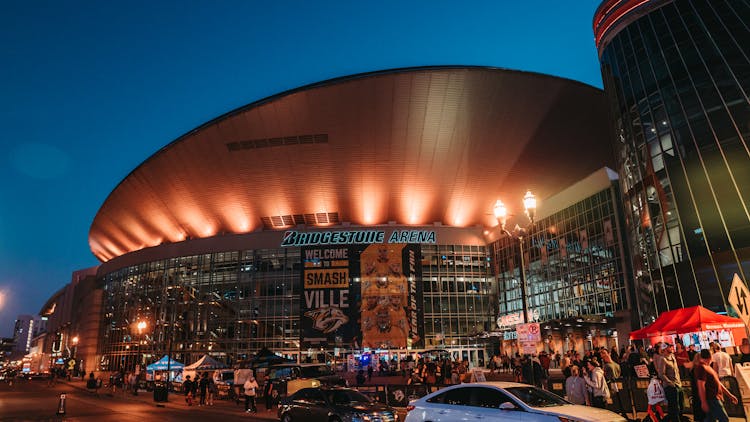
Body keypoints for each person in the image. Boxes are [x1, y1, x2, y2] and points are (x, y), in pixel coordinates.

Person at [696, 348, 738, 422]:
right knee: (724, 419)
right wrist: (703, 402)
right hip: (712, 398)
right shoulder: (702, 368)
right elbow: (701, 386)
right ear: (710, 357)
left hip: (714, 397)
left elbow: (718, 382)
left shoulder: (707, 367)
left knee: (711, 419)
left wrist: (729, 395)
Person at [656, 342, 683, 422]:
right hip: (670, 387)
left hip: (678, 385)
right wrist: (670, 383)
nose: (672, 348)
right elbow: (661, 374)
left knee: (681, 406)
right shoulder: (663, 359)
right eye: (670, 347)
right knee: (674, 408)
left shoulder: (673, 356)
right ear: (665, 348)